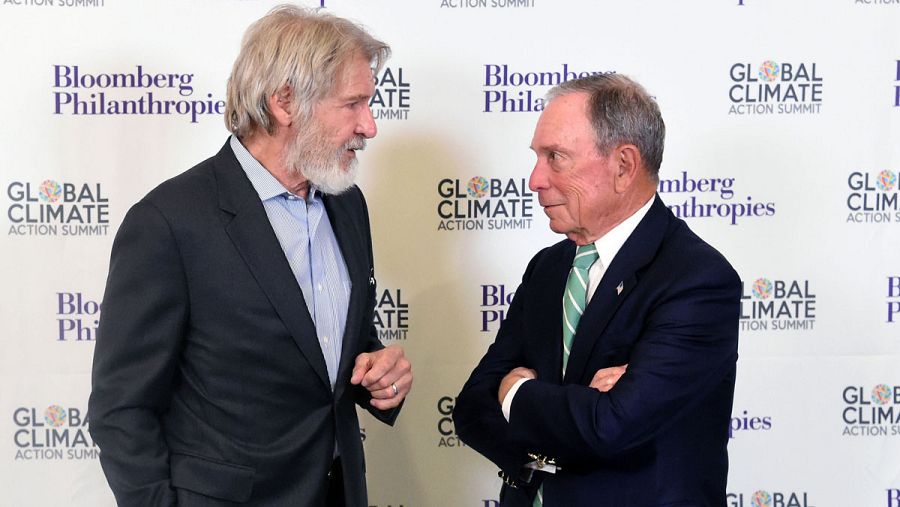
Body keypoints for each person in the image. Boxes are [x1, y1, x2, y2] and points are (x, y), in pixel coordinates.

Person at [88, 6, 412, 506]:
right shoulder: (169, 222)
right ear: (285, 102)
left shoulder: (348, 205)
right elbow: (121, 411)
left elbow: (330, 351)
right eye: (353, 104)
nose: (369, 126)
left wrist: (378, 374)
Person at [453, 74, 740, 506]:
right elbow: (473, 407)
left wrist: (515, 393)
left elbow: (611, 426)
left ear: (623, 166)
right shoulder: (548, 268)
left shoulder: (697, 280)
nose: (535, 180)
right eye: (537, 157)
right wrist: (572, 415)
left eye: (556, 157)